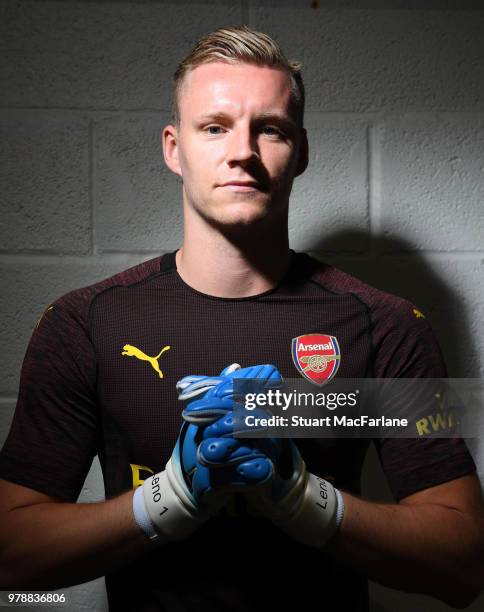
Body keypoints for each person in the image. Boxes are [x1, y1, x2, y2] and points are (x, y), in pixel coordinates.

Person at [0, 25, 482, 612]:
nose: (242, 152)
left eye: (270, 129)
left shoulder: (390, 325)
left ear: (300, 151)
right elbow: (11, 557)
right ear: (174, 149)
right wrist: (167, 499)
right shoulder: (82, 324)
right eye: (215, 127)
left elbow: (463, 566)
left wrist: (303, 498)